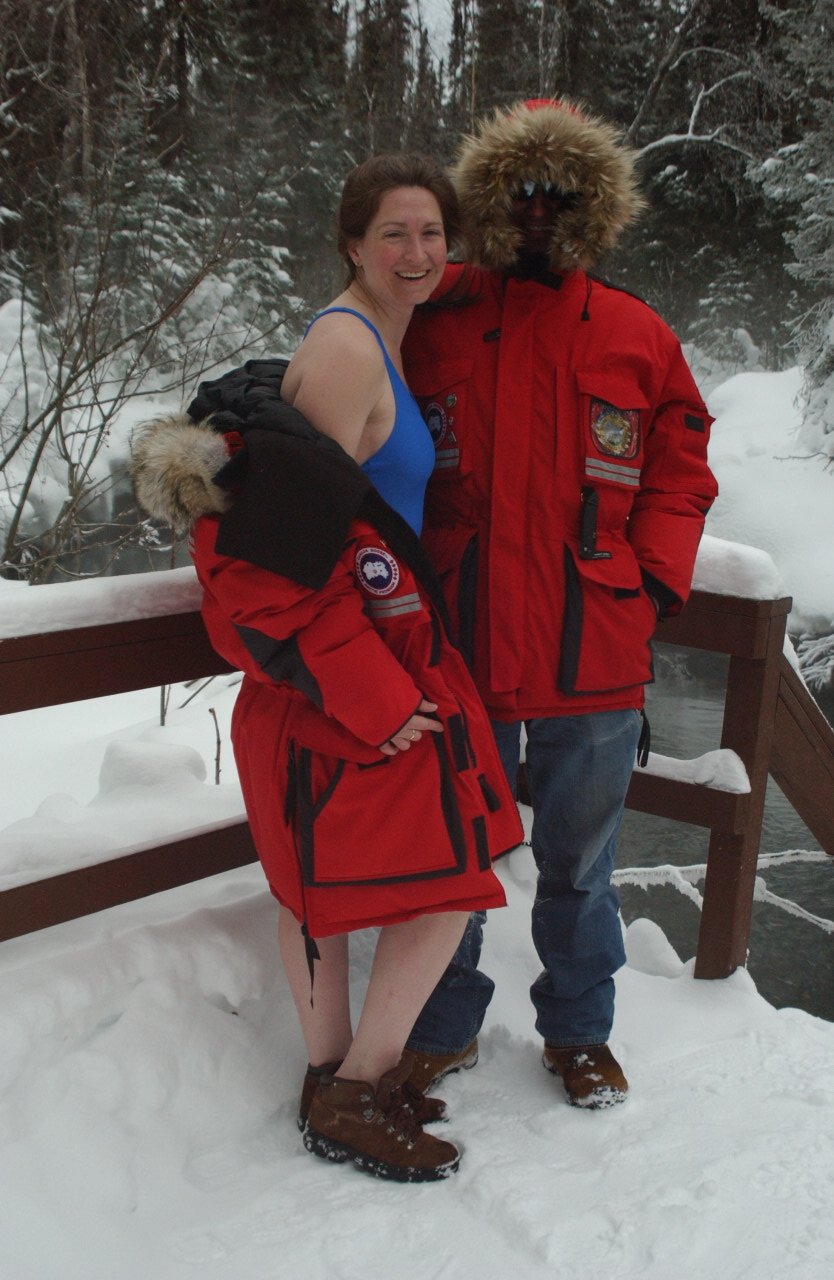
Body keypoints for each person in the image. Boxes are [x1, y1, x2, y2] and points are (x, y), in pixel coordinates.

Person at [130, 153, 522, 1180]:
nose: (418, 252)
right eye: (395, 232)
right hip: (348, 677)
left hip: (357, 664)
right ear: (352, 243)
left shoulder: (378, 335)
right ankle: (356, 1090)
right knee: (448, 880)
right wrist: (376, 695)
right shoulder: (348, 349)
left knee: (343, 881)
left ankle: (334, 1085)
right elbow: (272, 561)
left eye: (433, 233)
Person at [400, 99, 719, 1108]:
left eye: (561, 195)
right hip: (462, 635)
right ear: (489, 203)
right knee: (453, 847)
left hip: (594, 647)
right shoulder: (432, 318)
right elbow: (353, 416)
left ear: (593, 207)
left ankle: (579, 1032)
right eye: (519, 192)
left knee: (581, 861)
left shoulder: (637, 333)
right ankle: (439, 1026)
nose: (538, 211)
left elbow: (680, 468)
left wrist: (653, 581)